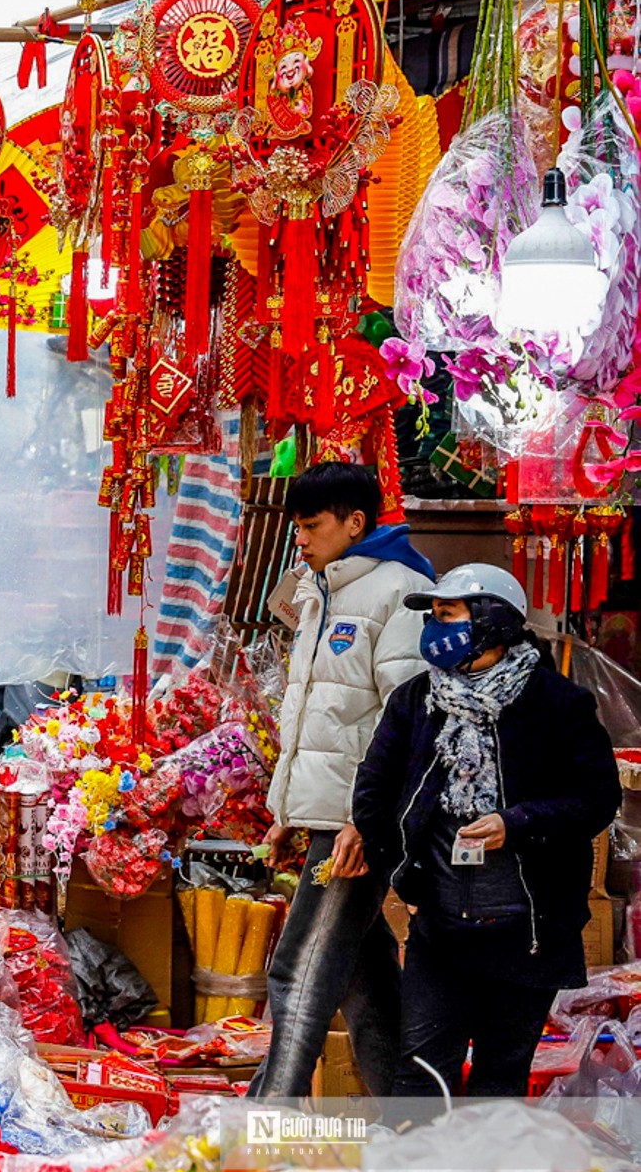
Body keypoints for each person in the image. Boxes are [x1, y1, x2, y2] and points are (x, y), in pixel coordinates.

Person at [355, 565, 621, 1097]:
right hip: (440, 932)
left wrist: (515, 823)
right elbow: (374, 795)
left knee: (501, 1080)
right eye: (432, 617)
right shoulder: (415, 701)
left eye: (447, 615)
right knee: (422, 1074)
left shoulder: (558, 703)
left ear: (493, 621)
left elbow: (597, 800)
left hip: (528, 935)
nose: (434, 629)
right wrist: (405, 881)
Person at [249, 462, 436, 1099]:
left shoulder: (399, 594)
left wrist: (365, 818)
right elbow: (310, 716)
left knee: (298, 968)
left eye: (311, 526)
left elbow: (406, 720)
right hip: (332, 818)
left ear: (356, 522)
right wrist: (284, 810)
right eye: (296, 527)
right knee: (363, 975)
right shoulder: (321, 591)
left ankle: (268, 1115)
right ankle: (408, 1115)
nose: (299, 539)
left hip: (357, 827)